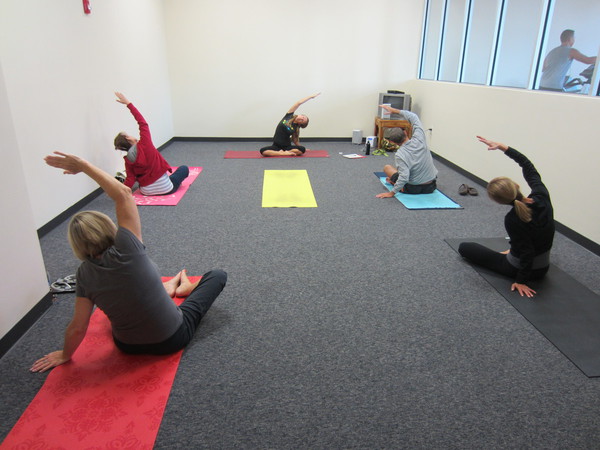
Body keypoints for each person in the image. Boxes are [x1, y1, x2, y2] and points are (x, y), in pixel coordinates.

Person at [31, 152, 227, 372]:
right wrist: (84, 165)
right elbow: (123, 194)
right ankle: (184, 288)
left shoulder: (83, 274)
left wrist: (65, 355)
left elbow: (78, 326)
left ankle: (170, 287)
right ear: (107, 227)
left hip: (127, 346)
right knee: (217, 275)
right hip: (172, 338)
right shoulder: (127, 245)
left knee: (123, 299)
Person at [458, 136, 555, 298]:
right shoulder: (541, 195)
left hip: (522, 269)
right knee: (522, 241)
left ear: (499, 202)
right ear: (516, 186)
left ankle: (511, 255)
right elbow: (528, 166)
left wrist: (521, 281)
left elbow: (527, 252)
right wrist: (504, 148)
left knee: (465, 247)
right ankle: (511, 251)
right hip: (543, 267)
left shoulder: (513, 218)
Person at [113, 92, 189, 195]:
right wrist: (128, 103)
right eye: (128, 135)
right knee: (183, 169)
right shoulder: (145, 143)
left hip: (146, 192)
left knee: (140, 176)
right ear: (128, 138)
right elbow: (142, 122)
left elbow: (130, 180)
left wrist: (120, 193)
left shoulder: (128, 160)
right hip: (166, 188)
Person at [375, 105, 438, 198]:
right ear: (405, 132)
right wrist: (394, 110)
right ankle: (395, 182)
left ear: (393, 142)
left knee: (387, 168)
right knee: (404, 171)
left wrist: (391, 193)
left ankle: (395, 183)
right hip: (431, 187)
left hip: (413, 189)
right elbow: (414, 117)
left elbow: (404, 177)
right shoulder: (420, 138)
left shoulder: (400, 154)